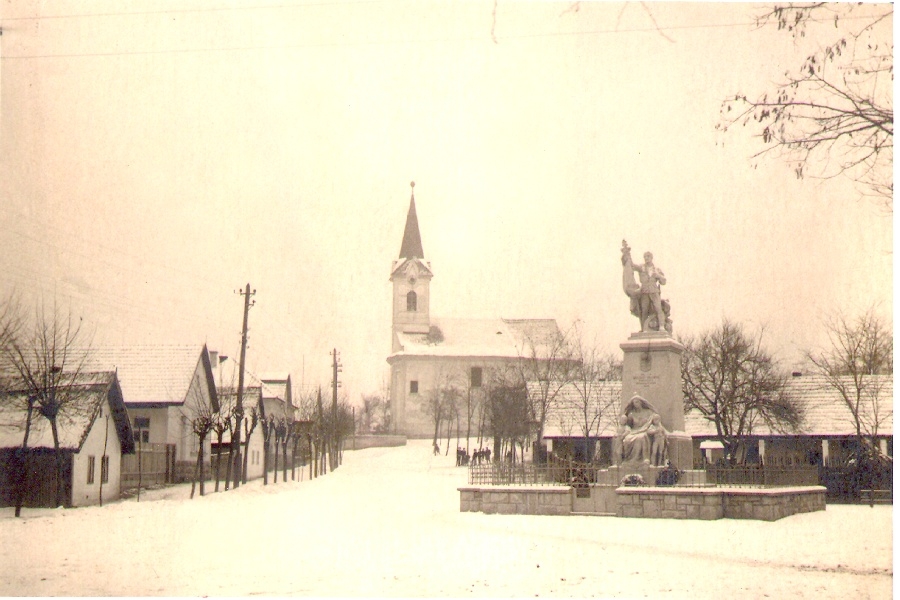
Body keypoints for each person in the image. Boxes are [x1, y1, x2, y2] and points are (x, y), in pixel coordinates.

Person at [620, 395, 658, 464]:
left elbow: (655, 419)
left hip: (645, 430)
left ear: (641, 402)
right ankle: (629, 459)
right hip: (634, 431)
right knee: (627, 439)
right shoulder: (631, 414)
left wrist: (652, 428)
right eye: (634, 403)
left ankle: (644, 458)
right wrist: (626, 430)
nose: (635, 404)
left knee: (641, 437)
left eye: (637, 402)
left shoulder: (648, 412)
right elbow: (628, 425)